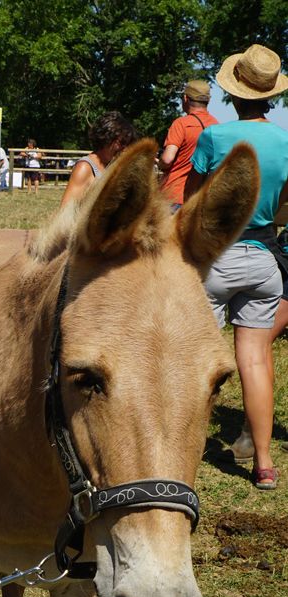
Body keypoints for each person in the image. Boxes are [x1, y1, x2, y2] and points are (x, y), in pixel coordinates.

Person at [185, 44, 288, 490]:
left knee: (192, 360)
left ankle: (183, 453)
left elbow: (191, 203)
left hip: (217, 258)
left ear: (233, 95)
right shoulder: (286, 142)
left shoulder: (214, 139)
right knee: (255, 362)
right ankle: (263, 464)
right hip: (265, 260)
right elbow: (285, 207)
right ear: (270, 96)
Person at [158, 80, 218, 211]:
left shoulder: (181, 124)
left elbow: (167, 159)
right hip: (201, 200)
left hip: (174, 196)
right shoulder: (216, 126)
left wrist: (160, 164)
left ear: (185, 98)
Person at [60, 111, 138, 206]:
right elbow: (65, 211)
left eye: (128, 144)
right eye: (122, 142)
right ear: (107, 137)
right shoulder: (85, 167)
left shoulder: (114, 166)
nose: (125, 149)